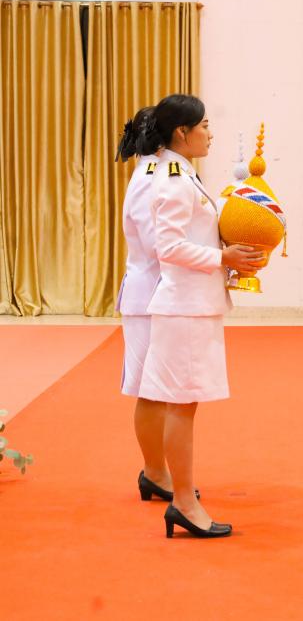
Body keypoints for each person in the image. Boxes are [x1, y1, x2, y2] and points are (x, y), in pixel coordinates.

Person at [136, 94, 264, 538]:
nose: (210, 133)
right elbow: (168, 247)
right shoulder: (173, 181)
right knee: (181, 406)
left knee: (182, 405)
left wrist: (228, 257)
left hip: (191, 305)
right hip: (184, 308)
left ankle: (182, 497)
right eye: (204, 125)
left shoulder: (184, 174)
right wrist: (222, 256)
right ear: (182, 132)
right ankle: (184, 502)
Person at [116, 107, 183, 504]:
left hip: (162, 293)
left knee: (161, 390)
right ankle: (154, 471)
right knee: (150, 390)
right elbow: (156, 243)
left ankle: (158, 470)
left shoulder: (160, 171)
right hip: (148, 296)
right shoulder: (149, 178)